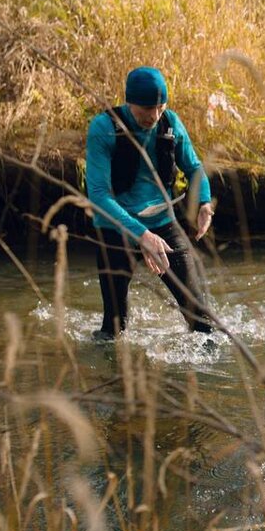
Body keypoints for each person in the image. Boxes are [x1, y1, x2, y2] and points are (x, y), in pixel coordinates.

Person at [85, 66, 216, 342]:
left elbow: (194, 168)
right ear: (129, 101)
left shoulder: (170, 123)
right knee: (114, 330)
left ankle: (202, 380)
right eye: (147, 109)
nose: (154, 116)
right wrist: (141, 235)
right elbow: (97, 194)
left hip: (162, 225)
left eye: (160, 107)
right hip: (115, 229)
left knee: (202, 322)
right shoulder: (104, 128)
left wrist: (204, 201)